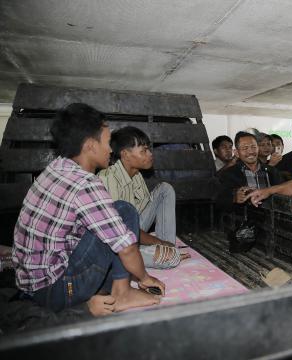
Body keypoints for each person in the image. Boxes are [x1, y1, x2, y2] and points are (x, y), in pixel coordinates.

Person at [12, 103, 165, 316]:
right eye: (107, 142)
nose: (111, 149)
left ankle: (121, 290)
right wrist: (145, 278)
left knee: (121, 210)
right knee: (124, 216)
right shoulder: (86, 184)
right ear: (91, 146)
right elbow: (127, 248)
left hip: (30, 285)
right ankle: (122, 294)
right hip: (55, 291)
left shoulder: (57, 167)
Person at [98, 126, 189, 269]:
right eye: (144, 151)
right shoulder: (109, 178)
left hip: (133, 230)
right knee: (170, 258)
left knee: (165, 189)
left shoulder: (137, 175)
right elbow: (119, 231)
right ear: (126, 154)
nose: (150, 154)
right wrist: (158, 243)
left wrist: (162, 243)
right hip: (116, 241)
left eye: (149, 149)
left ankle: (168, 248)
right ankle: (165, 252)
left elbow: (139, 218)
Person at [216, 131, 283, 211]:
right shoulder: (228, 174)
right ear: (237, 153)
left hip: (271, 219)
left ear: (258, 149)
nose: (250, 152)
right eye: (245, 148)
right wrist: (234, 197)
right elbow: (219, 201)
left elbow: (282, 193)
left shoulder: (272, 172)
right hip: (243, 221)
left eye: (253, 147)